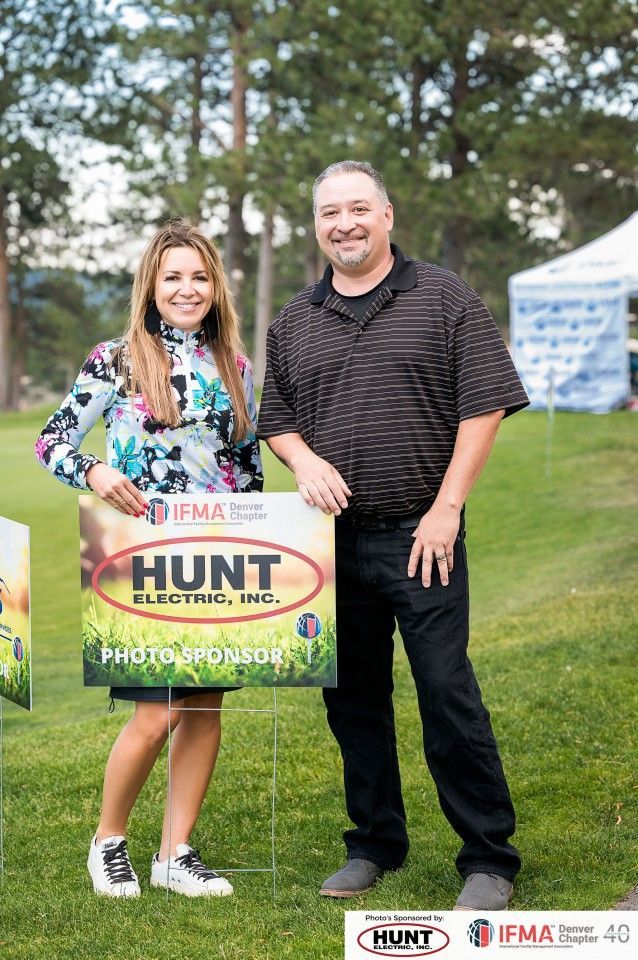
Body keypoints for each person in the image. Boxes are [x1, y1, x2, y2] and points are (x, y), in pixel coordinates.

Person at [258, 160, 529, 910]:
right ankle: (375, 843)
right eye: (327, 213)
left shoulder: (443, 297)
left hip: (422, 534)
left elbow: (484, 405)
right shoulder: (293, 319)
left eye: (357, 209)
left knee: (446, 691)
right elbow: (276, 415)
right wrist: (303, 457)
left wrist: (447, 509)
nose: (342, 223)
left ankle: (487, 857)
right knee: (352, 700)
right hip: (331, 544)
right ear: (315, 226)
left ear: (386, 216)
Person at [36, 219, 263, 898]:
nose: (187, 289)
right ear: (152, 287)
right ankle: (108, 843)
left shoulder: (235, 365)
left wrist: (258, 540)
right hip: (142, 556)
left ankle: (175, 853)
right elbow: (51, 442)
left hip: (221, 556)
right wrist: (96, 472)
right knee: (159, 709)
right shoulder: (116, 359)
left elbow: (248, 467)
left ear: (214, 285)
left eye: (199, 277)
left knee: (203, 706)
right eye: (173, 277)